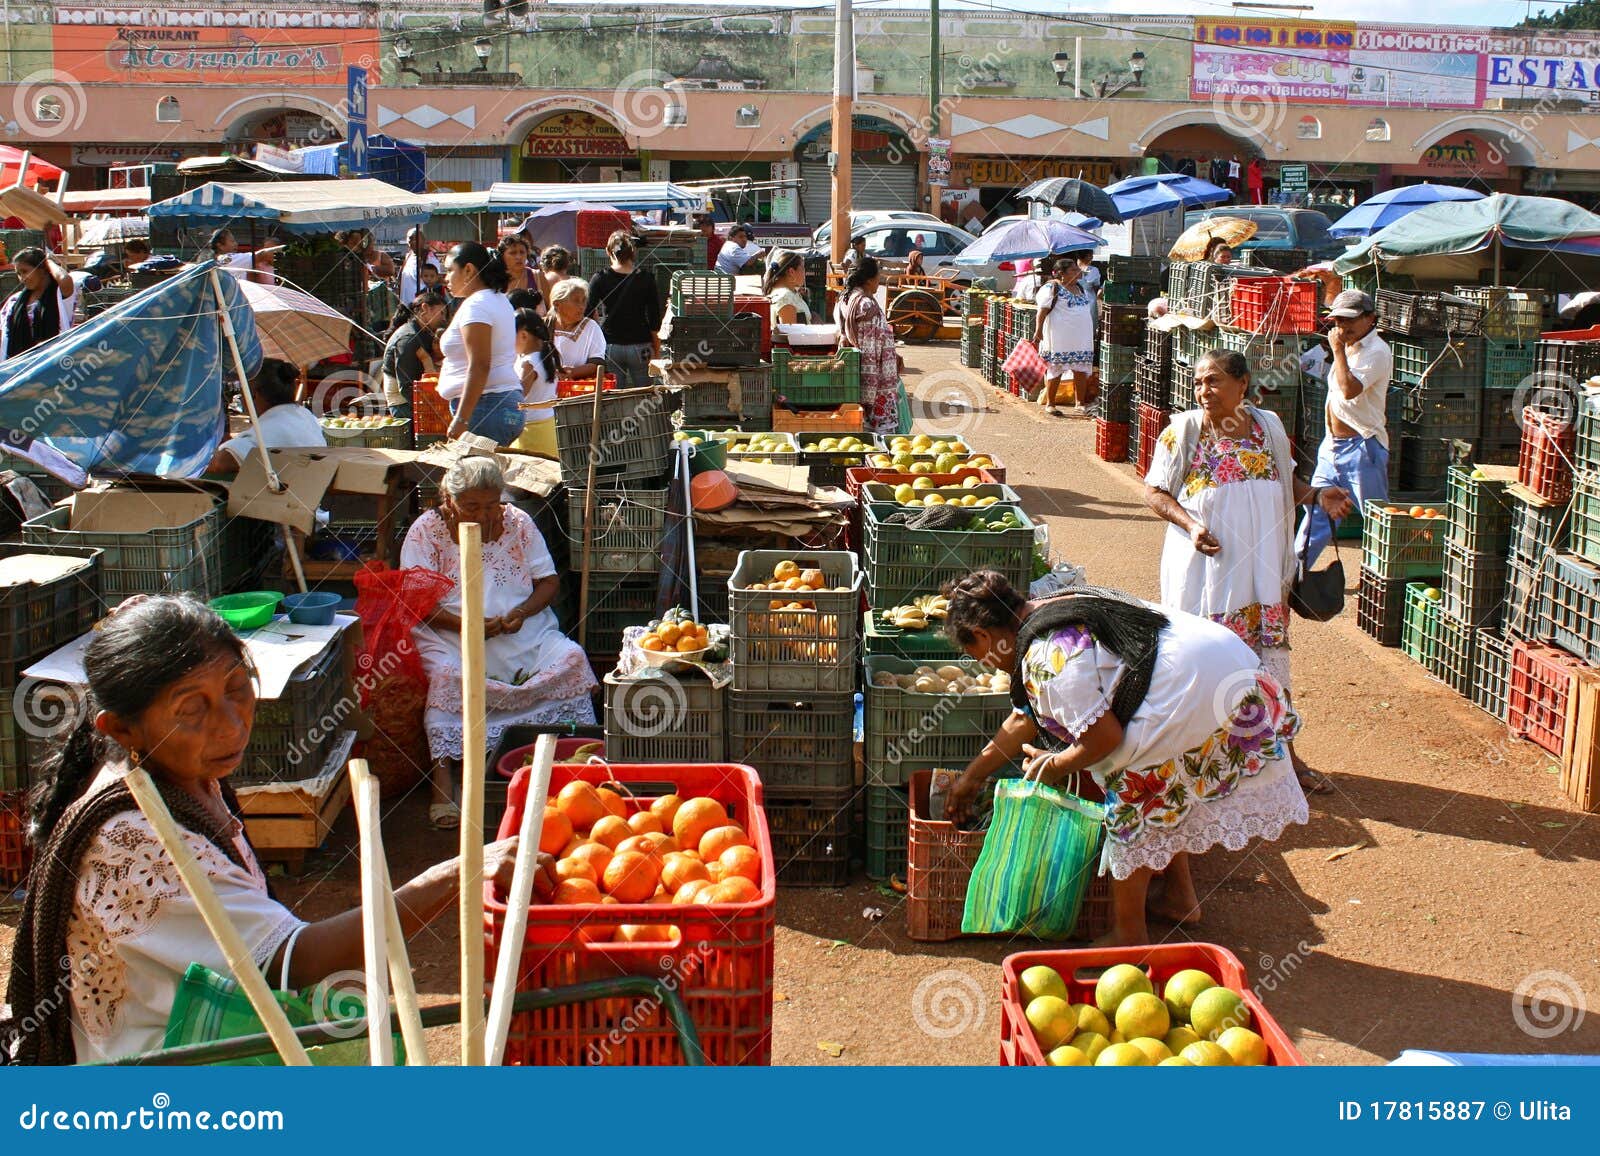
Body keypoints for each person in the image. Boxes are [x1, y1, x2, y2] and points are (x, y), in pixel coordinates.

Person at [0, 594, 549, 1064]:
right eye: (192, 709)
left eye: (237, 688)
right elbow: (287, 963)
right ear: (122, 728)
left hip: (210, 1032)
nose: (231, 724)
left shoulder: (180, 776)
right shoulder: (134, 838)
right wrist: (455, 875)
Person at [941, 574, 1308, 947]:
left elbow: (1104, 739)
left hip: (1195, 689)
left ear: (982, 635)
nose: (987, 665)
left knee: (1135, 786)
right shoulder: (1050, 607)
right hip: (1224, 666)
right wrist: (972, 778)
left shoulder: (1045, 656)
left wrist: (1054, 766)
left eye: (977, 654)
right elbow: (1024, 719)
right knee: (1169, 787)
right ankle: (1179, 899)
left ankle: (1129, 935)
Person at [1144, 349, 1352, 794]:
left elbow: (1284, 483)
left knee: (1269, 668)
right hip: (1206, 576)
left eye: (1214, 380)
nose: (1203, 390)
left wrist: (1317, 496)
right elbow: (1155, 492)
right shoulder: (1183, 432)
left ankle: (1286, 759)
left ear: (1242, 384)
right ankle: (1201, 763)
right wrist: (1191, 525)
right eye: (1198, 382)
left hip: (1262, 578)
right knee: (1204, 664)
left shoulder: (1267, 427)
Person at [400, 458, 597, 828]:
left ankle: (571, 764)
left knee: (571, 658)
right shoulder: (425, 530)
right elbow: (416, 602)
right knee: (447, 677)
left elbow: (548, 581)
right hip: (450, 636)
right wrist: (468, 626)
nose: (484, 515)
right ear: (449, 499)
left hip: (522, 634)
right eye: (472, 507)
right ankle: (444, 780)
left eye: (492, 505)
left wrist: (521, 613)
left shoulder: (518, 522)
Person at [1295, 289, 1393, 568]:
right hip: (1332, 447)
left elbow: (1350, 390)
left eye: (1349, 320)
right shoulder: (1349, 346)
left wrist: (1337, 350)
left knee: (1377, 521)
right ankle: (1293, 576)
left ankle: (1385, 578)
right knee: (1316, 512)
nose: (1342, 327)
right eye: (1338, 320)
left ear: (1370, 319)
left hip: (1362, 448)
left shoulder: (1376, 351)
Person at [436, 241, 525, 446]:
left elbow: (480, 365)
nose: (445, 278)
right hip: (498, 406)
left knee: (477, 466)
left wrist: (462, 419)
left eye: (449, 270)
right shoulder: (496, 299)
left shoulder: (477, 305)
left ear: (468, 270)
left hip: (486, 407)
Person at [206, 358, 326, 475]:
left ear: (254, 395)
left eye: (242, 394)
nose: (241, 399)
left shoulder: (270, 428)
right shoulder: (306, 416)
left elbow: (219, 463)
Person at [586, 230, 661, 390]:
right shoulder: (646, 278)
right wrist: (657, 350)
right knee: (645, 393)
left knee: (614, 396)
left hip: (610, 345)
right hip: (641, 345)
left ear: (608, 251)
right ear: (634, 252)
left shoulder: (600, 278)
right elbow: (655, 318)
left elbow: (587, 311)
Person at [836, 257, 899, 434]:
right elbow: (870, 353)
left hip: (855, 376)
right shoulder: (866, 306)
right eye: (878, 276)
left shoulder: (846, 298)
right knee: (878, 438)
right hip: (876, 385)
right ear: (869, 280)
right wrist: (869, 395)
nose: (879, 280)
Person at [1030, 256, 1098, 417]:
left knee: (1080, 369)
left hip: (1081, 338)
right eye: (1073, 270)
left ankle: (1080, 403)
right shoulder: (1051, 288)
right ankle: (1050, 403)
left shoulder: (1080, 288)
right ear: (1061, 273)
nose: (1078, 272)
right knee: (1056, 369)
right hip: (1060, 337)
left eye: (1077, 269)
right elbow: (1042, 311)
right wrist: (1038, 331)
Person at [0, 247, 80, 361]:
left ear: (42, 269)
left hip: (51, 364)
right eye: (18, 273)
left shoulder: (59, 296)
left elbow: (65, 278)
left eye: (25, 271)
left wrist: (48, 261)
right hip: (19, 365)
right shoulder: (14, 301)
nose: (22, 278)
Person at [380, 289, 446, 420]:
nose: (443, 318)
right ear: (425, 308)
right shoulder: (408, 338)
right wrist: (431, 409)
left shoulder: (421, 332)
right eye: (441, 313)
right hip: (404, 405)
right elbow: (406, 386)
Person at [509, 309, 560, 457]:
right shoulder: (547, 357)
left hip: (531, 432)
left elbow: (519, 396)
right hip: (548, 427)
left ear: (523, 335)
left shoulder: (528, 363)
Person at [548, 278, 607, 375]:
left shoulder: (591, 327)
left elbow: (597, 363)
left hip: (579, 384)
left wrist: (571, 372)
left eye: (584, 301)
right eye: (576, 301)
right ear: (557, 304)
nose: (582, 306)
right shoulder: (543, 325)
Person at [764, 248, 812, 325]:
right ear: (791, 272)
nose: (804, 273)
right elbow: (790, 331)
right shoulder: (786, 297)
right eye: (803, 268)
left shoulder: (781, 292)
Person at [399, 227, 441, 306]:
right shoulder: (409, 256)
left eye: (416, 239)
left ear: (423, 240)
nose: (413, 241)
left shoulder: (429, 258)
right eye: (410, 238)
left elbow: (435, 281)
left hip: (420, 305)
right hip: (406, 304)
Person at [497, 233, 542, 299]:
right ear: (502, 256)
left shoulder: (538, 276)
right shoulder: (494, 279)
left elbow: (548, 304)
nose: (519, 257)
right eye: (513, 253)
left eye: (522, 252)